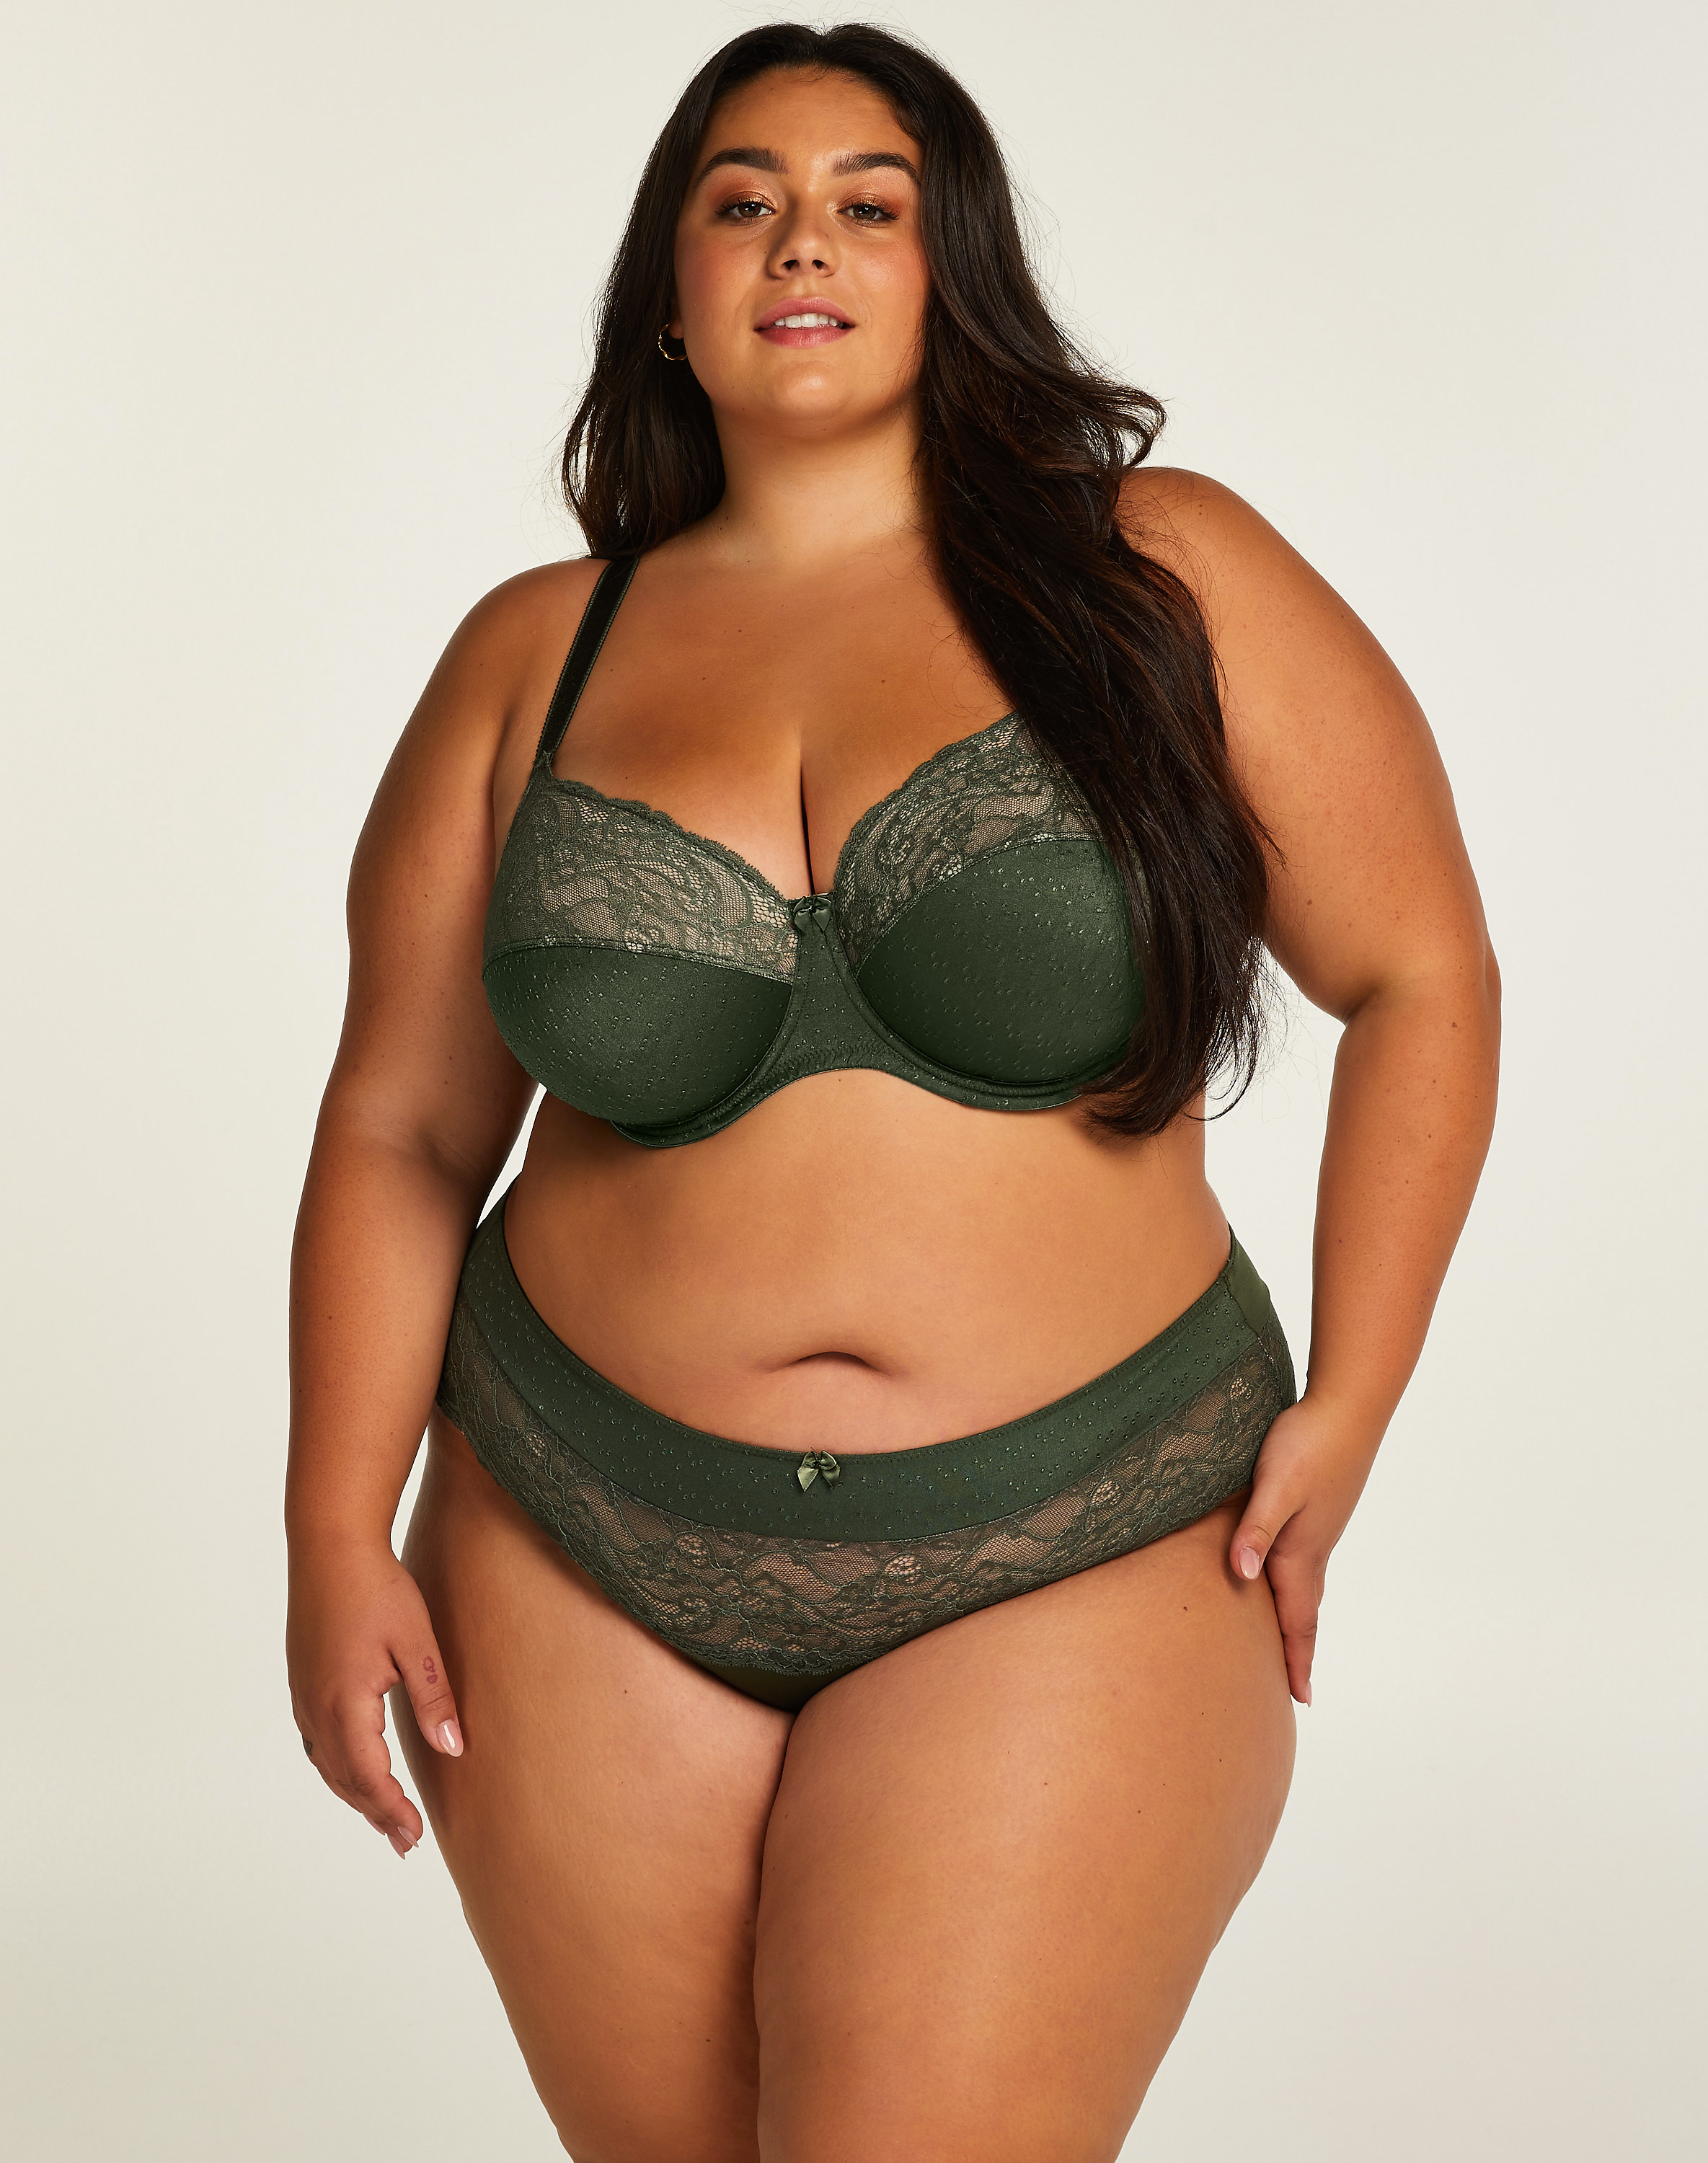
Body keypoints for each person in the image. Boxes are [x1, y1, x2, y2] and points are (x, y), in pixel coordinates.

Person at [285, 22, 1500, 2162]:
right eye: (740, 201)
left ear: (958, 276)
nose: (802, 242)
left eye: (871, 203)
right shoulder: (530, 653)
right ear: (671, 294)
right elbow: (401, 1124)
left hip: (1087, 1528)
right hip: (569, 1543)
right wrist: (326, 1525)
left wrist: (1358, 1395)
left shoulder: (1159, 572)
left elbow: (1420, 973)